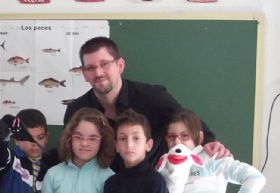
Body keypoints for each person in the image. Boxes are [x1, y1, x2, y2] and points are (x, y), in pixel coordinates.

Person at [64, 36, 224, 171]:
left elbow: (190, 124)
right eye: (90, 68)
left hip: (153, 188)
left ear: (120, 65)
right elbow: (67, 153)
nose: (98, 73)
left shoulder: (153, 98)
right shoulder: (77, 111)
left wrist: (211, 144)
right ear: (84, 74)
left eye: (104, 64)